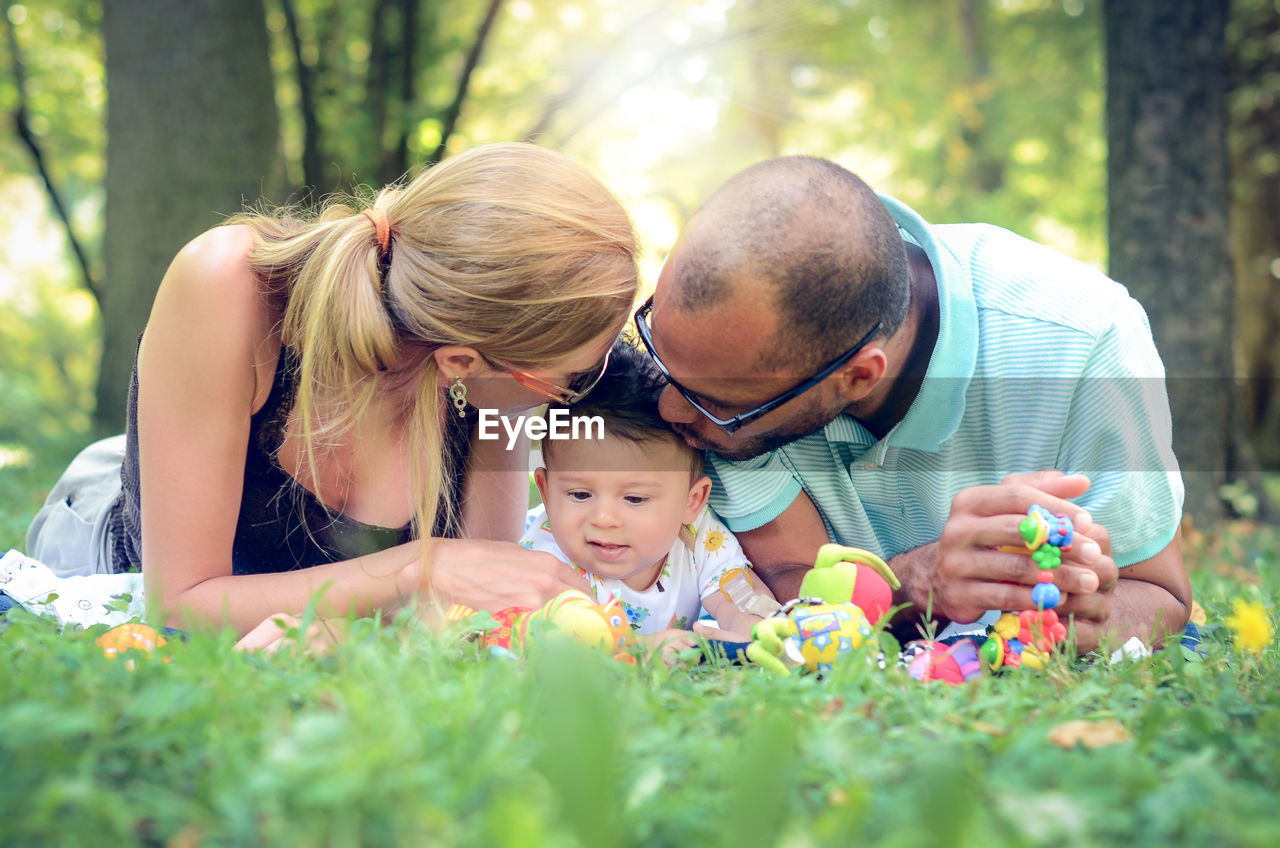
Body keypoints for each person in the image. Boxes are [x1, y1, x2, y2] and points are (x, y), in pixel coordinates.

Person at [26, 142, 639, 636]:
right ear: (460, 359)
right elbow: (178, 605)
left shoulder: (492, 394)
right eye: (570, 379)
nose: (568, 398)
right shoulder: (230, 290)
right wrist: (421, 566)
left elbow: (473, 605)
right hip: (122, 547)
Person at [633, 155, 1191, 655]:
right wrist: (915, 584)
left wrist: (1077, 618)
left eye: (714, 402)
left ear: (855, 377)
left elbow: (1160, 596)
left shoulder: (1083, 340)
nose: (668, 410)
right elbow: (785, 579)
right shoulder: (732, 358)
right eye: (657, 350)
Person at [520, 341, 780, 661]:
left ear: (691, 501)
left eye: (635, 498)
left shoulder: (699, 538)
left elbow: (740, 594)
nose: (603, 518)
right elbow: (540, 638)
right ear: (545, 493)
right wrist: (640, 653)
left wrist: (750, 634)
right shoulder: (546, 555)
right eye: (580, 494)